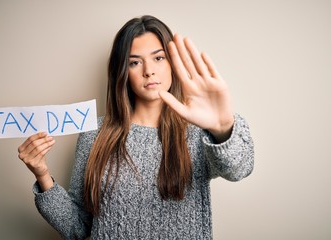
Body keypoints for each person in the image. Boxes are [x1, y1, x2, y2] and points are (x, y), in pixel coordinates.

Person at [18, 15, 254, 239]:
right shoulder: (94, 134)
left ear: (173, 64)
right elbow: (76, 228)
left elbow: (239, 169)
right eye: (134, 62)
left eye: (158, 58)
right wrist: (42, 174)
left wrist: (223, 128)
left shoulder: (198, 130)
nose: (148, 70)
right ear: (122, 72)